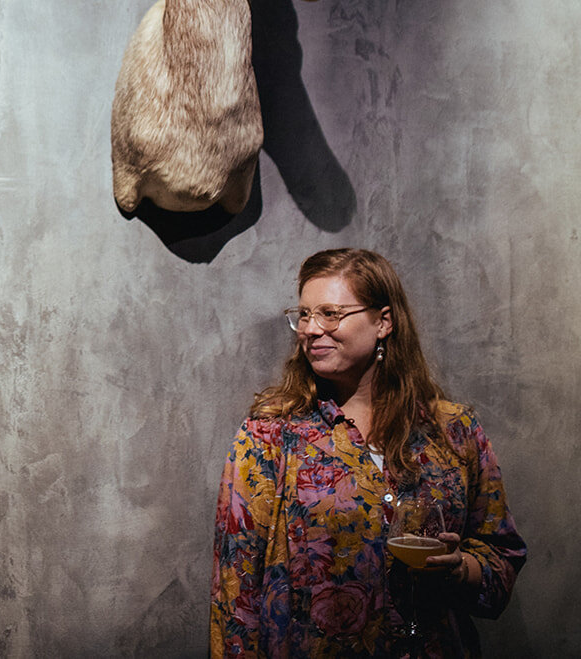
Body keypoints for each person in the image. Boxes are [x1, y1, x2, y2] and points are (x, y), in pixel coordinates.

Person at [210, 248, 525, 658]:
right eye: (304, 315)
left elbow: (502, 555)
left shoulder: (453, 431)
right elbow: (235, 592)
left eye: (330, 313)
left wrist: (461, 569)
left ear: (383, 322)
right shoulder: (269, 435)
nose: (310, 328)